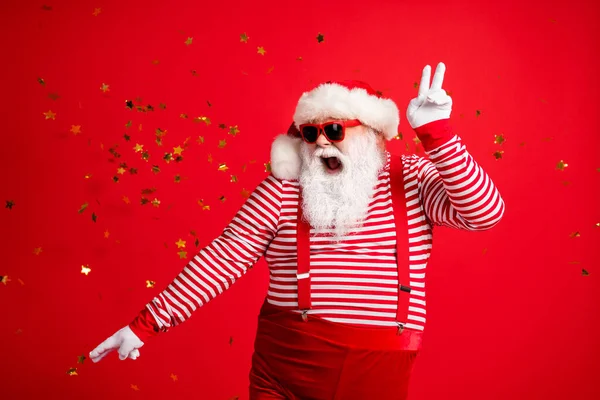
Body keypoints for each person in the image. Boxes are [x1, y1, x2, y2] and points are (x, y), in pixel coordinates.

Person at [89, 62, 505, 399]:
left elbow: (485, 212)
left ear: (373, 133)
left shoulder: (411, 178)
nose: (322, 144)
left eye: (335, 130)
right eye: (310, 133)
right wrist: (145, 324)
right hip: (284, 368)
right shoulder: (284, 187)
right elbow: (223, 256)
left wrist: (438, 135)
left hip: (376, 373)